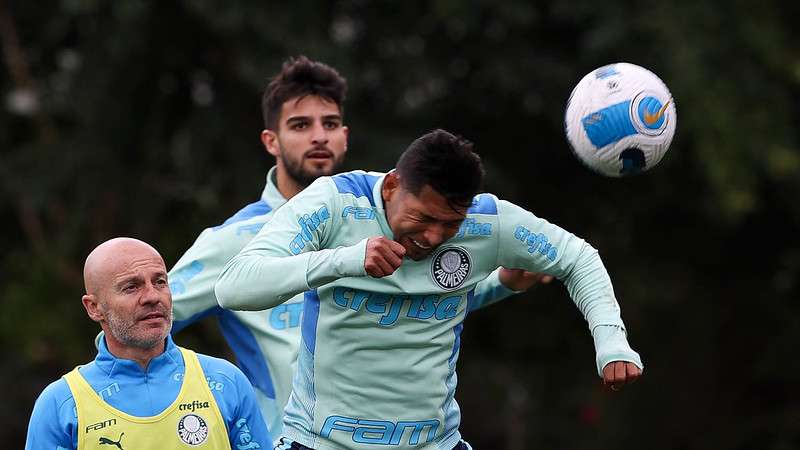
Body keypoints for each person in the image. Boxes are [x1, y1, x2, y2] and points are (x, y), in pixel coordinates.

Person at [165, 56, 548, 437]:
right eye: (300, 125)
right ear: (271, 142)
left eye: (329, 124)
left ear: (345, 136)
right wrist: (204, 413)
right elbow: (142, 324)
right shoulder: (233, 241)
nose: (319, 136)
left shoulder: (393, 219)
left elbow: (417, 305)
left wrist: (502, 282)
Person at [215, 129, 644, 450]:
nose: (436, 237)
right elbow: (234, 287)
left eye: (450, 224)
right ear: (391, 186)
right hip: (320, 442)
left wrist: (611, 341)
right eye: (423, 218)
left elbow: (578, 257)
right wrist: (344, 259)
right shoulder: (333, 203)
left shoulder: (488, 223)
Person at [26, 237, 271, 450]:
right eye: (131, 287)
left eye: (160, 282)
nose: (152, 296)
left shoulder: (225, 381)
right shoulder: (60, 404)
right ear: (94, 307)